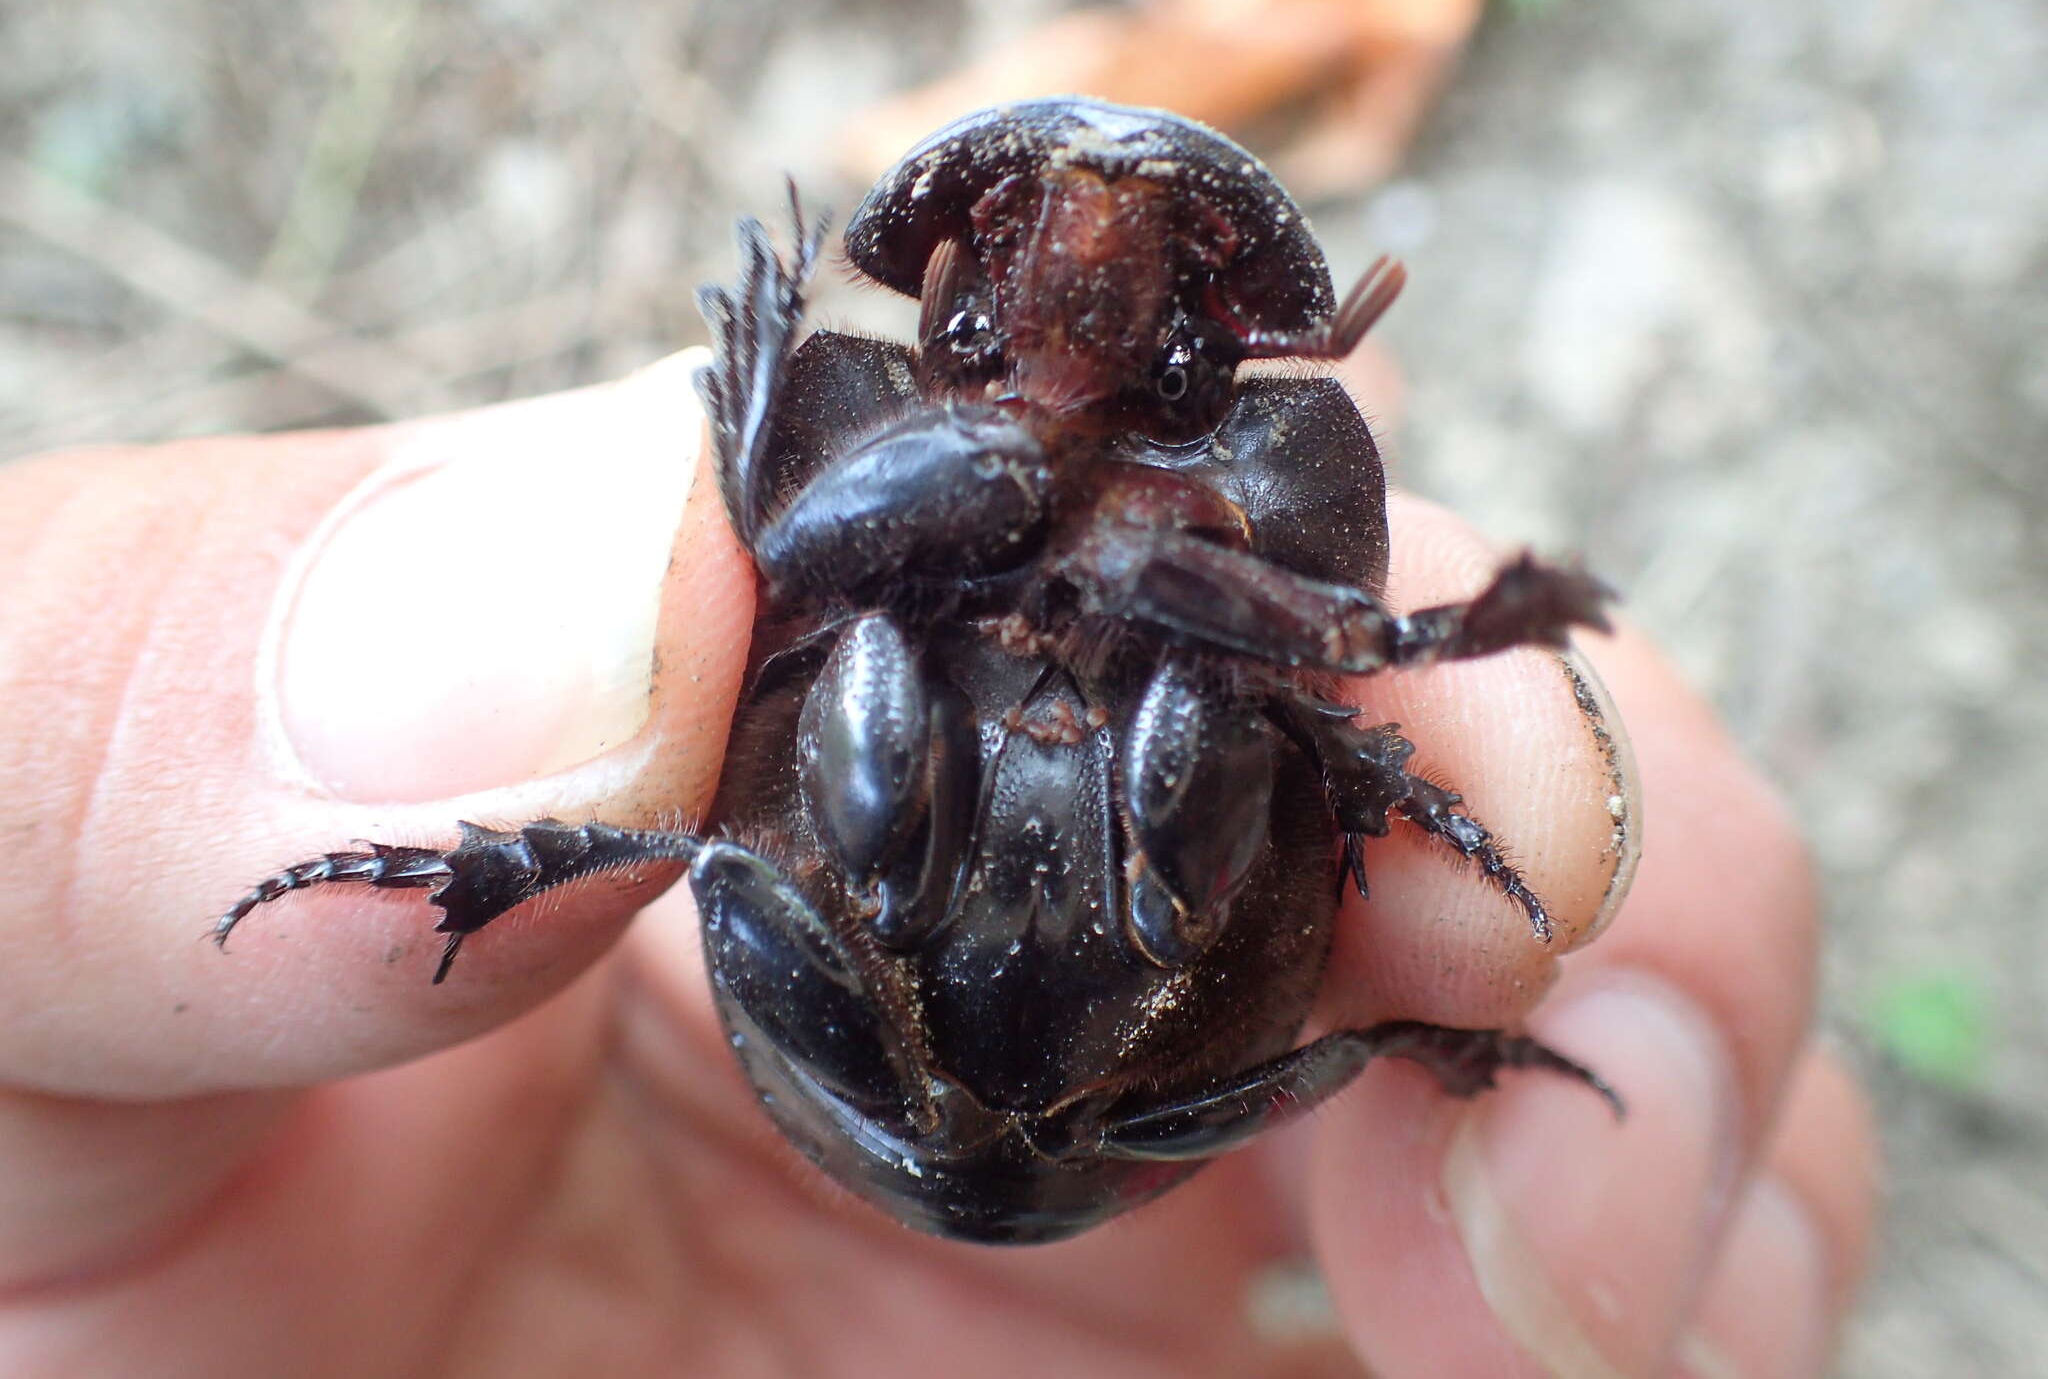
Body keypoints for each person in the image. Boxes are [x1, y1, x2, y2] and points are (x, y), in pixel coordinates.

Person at [0, 343, 1875, 1377]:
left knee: (860, 850)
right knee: (1229, 819)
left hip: (962, 1043)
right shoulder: (1178, 684)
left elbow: (741, 796)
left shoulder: (889, 659)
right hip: (1023, 1047)